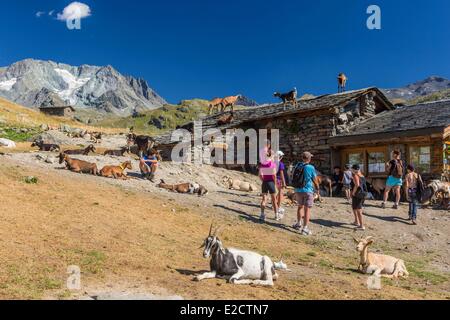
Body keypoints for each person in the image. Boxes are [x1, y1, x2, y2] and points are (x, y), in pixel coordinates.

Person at [292, 151, 318, 236]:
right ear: (309, 158)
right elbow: (315, 179)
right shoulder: (311, 167)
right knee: (307, 210)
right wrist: (317, 189)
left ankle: (298, 223)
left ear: (302, 158)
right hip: (308, 191)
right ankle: (305, 228)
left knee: (300, 207)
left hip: (298, 190)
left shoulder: (297, 165)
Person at [259, 141, 279, 222]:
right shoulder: (272, 164)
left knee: (264, 199)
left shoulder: (262, 164)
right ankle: (276, 215)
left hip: (264, 182)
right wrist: (275, 183)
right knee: (274, 200)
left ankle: (262, 214)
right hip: (271, 182)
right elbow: (274, 175)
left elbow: (260, 175)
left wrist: (263, 180)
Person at [351, 164, 367, 231]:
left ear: (354, 169)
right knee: (354, 207)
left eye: (352, 169)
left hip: (357, 194)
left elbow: (357, 185)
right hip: (363, 194)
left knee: (358, 209)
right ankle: (356, 221)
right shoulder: (362, 175)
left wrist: (353, 192)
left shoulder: (355, 175)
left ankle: (361, 225)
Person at [275, 151, 287, 219]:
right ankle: (278, 206)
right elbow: (282, 174)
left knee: (275, 192)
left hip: (272, 179)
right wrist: (284, 182)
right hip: (279, 179)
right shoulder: (281, 164)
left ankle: (274, 204)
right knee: (280, 193)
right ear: (280, 157)